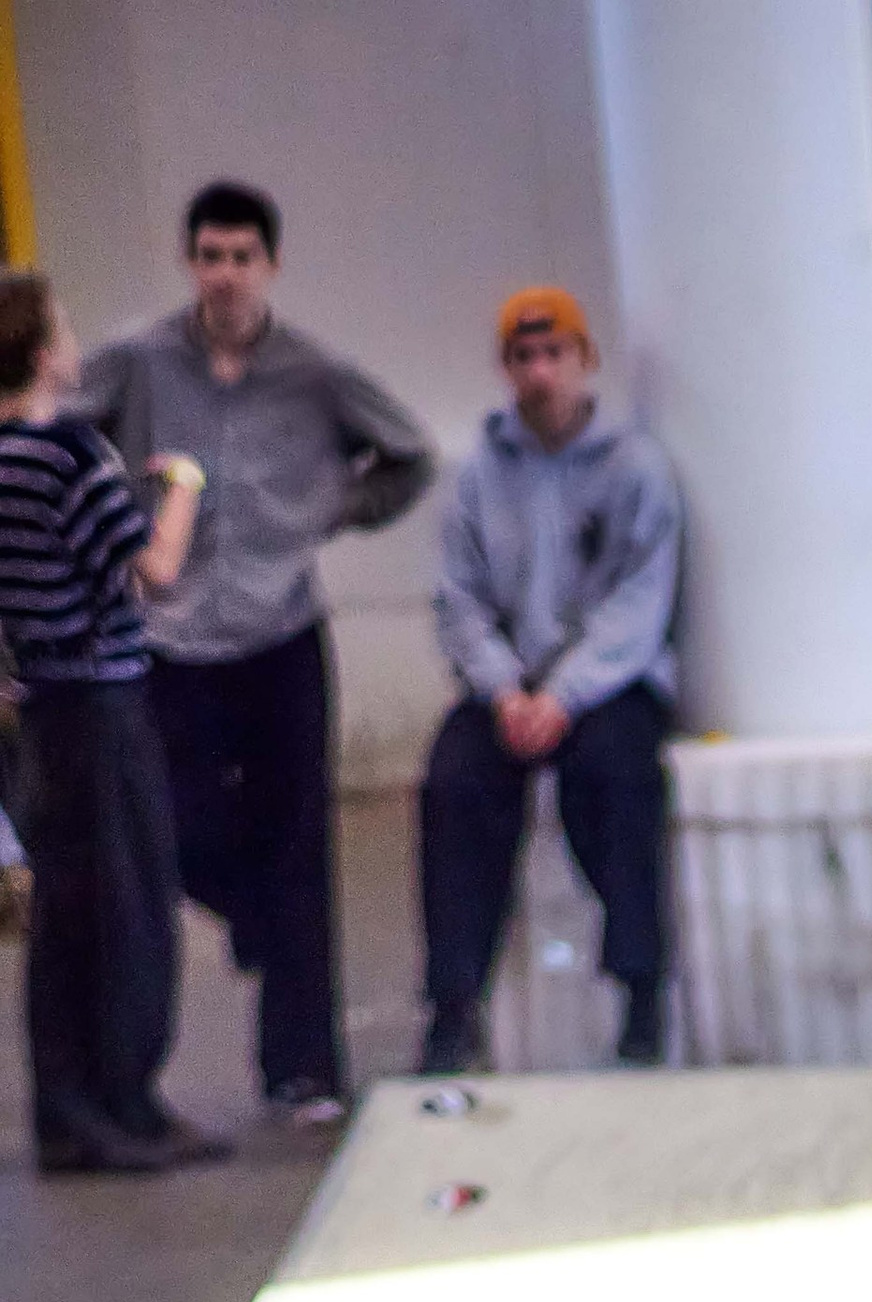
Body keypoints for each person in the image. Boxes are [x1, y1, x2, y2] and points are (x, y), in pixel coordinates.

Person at [83, 179, 433, 1129]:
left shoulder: (315, 371)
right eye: (209, 256)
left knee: (299, 844)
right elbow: (64, 436)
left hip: (280, 630)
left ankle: (303, 1069)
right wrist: (110, 526)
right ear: (188, 261)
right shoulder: (140, 362)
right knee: (174, 827)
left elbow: (410, 454)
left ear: (270, 265)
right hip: (174, 635)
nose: (224, 276)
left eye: (241, 258)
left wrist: (329, 511)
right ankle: (254, 919)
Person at [0, 268, 230, 1174]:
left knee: (65, 914)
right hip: (103, 707)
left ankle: (68, 1111)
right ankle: (127, 1102)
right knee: (131, 910)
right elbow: (156, 568)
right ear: (46, 350)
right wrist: (183, 483)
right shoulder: (68, 453)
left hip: (43, 711)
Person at [417, 288, 681, 1073]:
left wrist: (563, 696)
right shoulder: (475, 476)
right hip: (508, 685)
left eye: (553, 355)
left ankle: (641, 990)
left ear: (584, 361)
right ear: (505, 369)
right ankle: (454, 1005)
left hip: (603, 686)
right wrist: (504, 690)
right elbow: (458, 601)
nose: (539, 374)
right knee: (452, 787)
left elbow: (642, 602)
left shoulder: (636, 468)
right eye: (523, 358)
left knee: (619, 781)